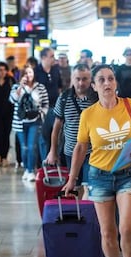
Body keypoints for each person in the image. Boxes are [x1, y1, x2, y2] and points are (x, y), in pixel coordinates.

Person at [63, 64, 131, 257]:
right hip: (99, 176)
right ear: (94, 86)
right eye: (101, 80)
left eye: (110, 79)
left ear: (115, 82)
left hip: (127, 173)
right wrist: (72, 179)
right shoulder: (88, 114)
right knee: (107, 230)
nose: (107, 83)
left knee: (127, 227)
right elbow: (80, 147)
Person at [45, 64, 98, 198]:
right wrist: (53, 151)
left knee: (88, 186)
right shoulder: (64, 98)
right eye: (78, 79)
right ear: (72, 79)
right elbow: (56, 128)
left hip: (92, 151)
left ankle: (88, 214)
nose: (81, 83)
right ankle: (83, 213)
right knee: (76, 185)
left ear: (90, 79)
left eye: (85, 79)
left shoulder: (96, 98)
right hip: (70, 151)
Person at [9, 65, 49, 182]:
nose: (28, 75)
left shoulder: (40, 87)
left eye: (30, 73)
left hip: (35, 121)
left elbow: (46, 103)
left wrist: (41, 114)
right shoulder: (16, 87)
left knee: (32, 146)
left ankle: (31, 170)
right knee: (24, 147)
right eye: (25, 73)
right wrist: (21, 86)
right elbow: (12, 100)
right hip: (20, 122)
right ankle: (26, 169)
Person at [34, 47, 62, 161]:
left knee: (56, 136)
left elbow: (59, 87)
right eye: (51, 56)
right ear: (43, 58)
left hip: (55, 107)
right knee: (43, 137)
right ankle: (43, 162)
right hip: (42, 109)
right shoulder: (36, 72)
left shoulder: (55, 70)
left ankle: (54, 160)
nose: (53, 59)